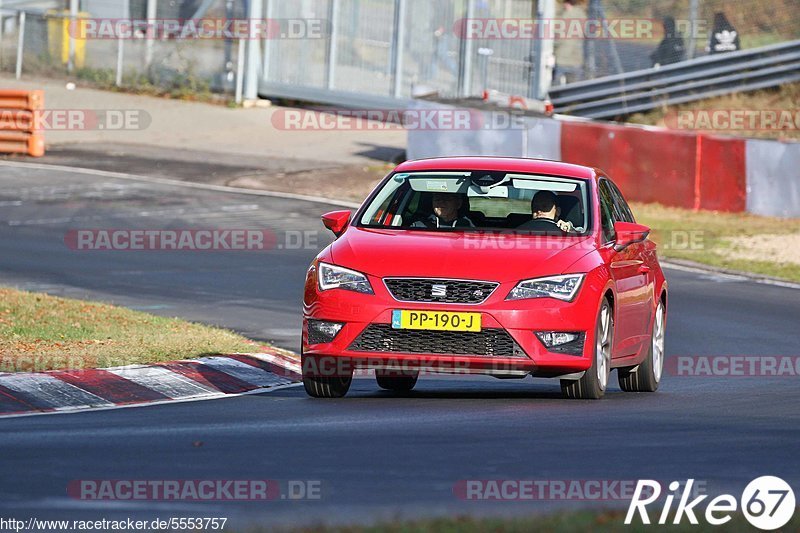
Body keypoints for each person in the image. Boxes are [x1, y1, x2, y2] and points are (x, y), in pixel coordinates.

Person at [553, 0, 587, 85]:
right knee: (572, 88)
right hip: (570, 60)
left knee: (556, 86)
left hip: (564, 59)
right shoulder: (581, 14)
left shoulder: (563, 15)